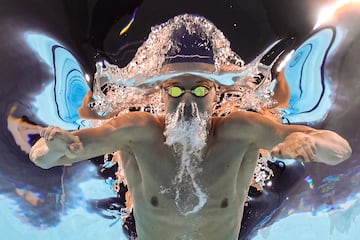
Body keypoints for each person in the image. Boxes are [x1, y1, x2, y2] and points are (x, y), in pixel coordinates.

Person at [29, 14, 352, 240]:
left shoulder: (241, 130)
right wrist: (52, 148)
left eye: (199, 89)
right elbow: (44, 157)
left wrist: (310, 146)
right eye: (174, 89)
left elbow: (339, 152)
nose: (187, 100)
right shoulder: (137, 130)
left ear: (216, 93)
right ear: (160, 92)